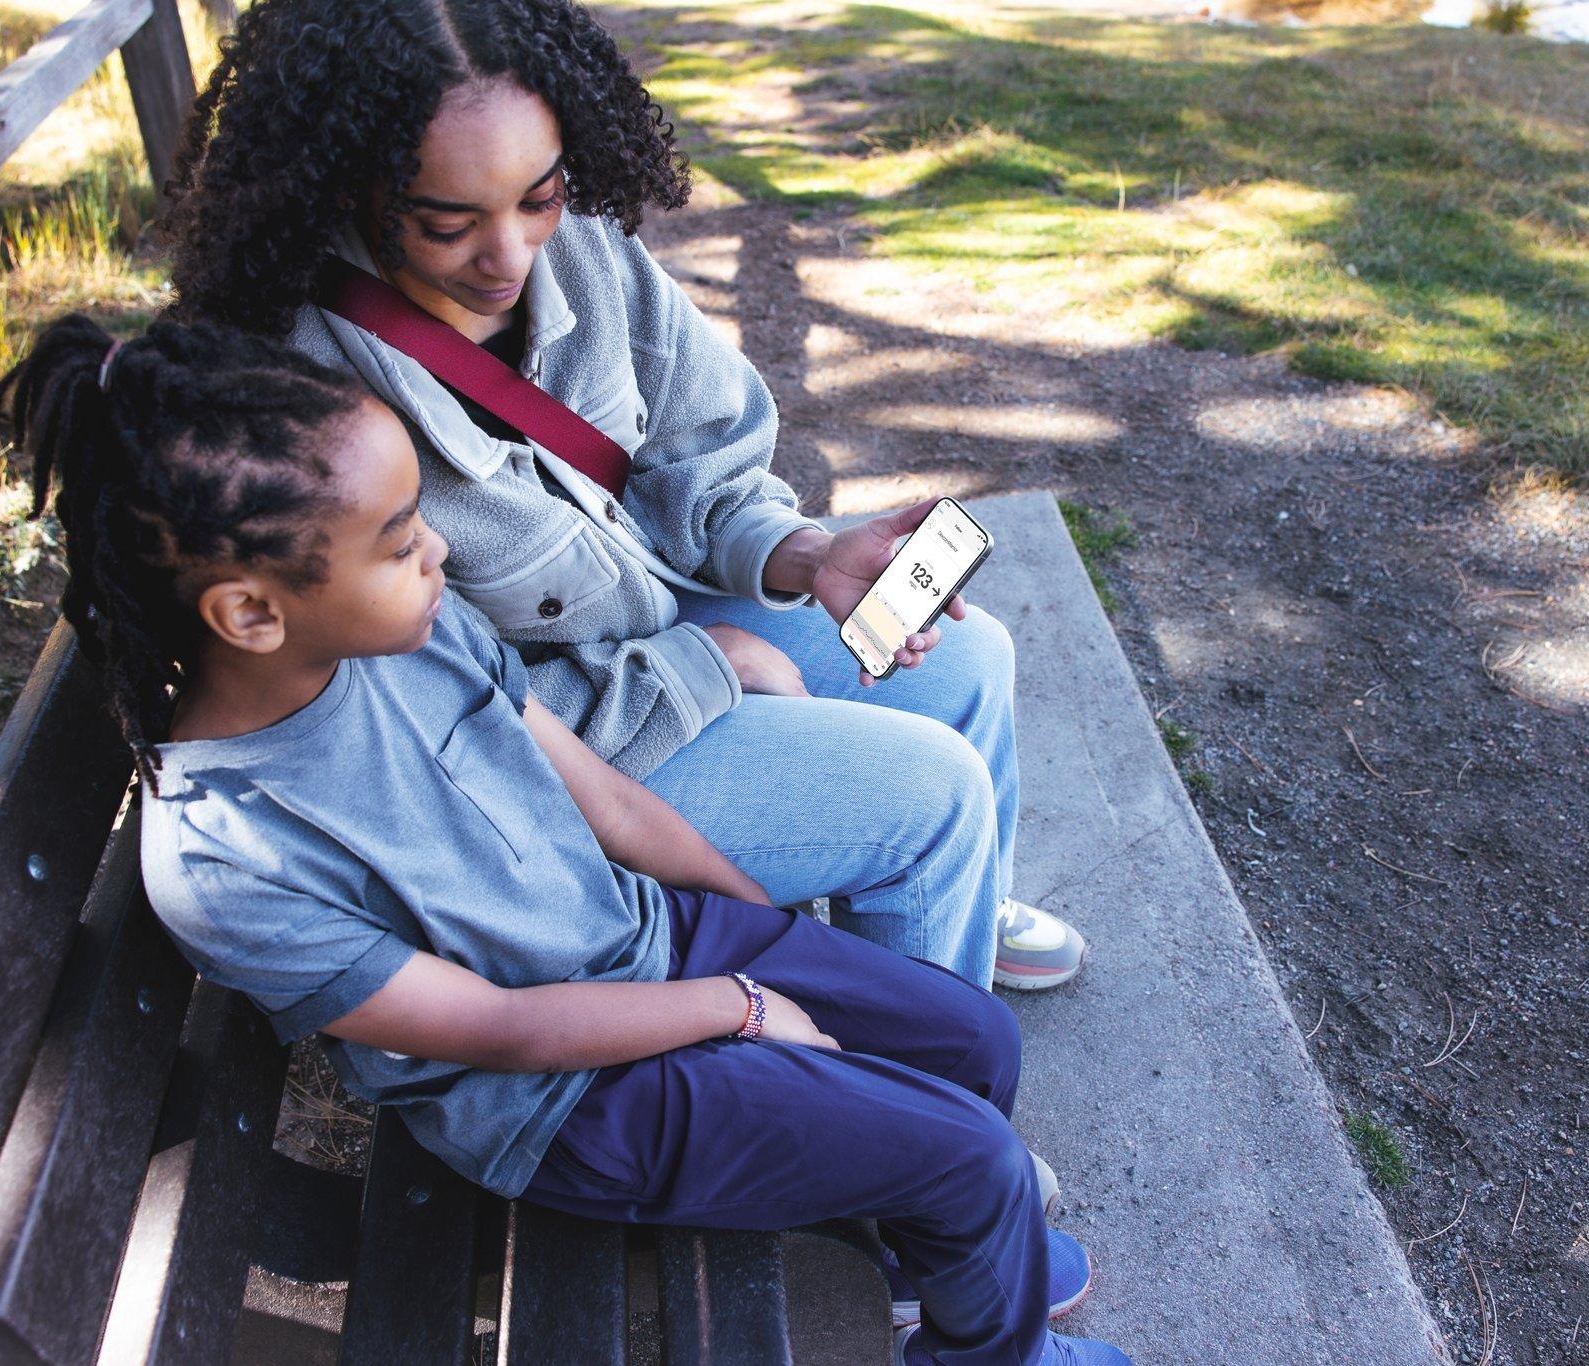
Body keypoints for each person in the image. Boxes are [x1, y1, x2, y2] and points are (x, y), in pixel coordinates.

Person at [0, 314, 1129, 1365]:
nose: (437, 550)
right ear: (249, 612)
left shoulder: (417, 637)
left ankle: (907, 1249)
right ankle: (988, 1349)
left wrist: (769, 936)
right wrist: (739, 1006)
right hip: (573, 1103)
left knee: (974, 1041)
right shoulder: (228, 858)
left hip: (650, 941)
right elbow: (501, 1026)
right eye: (396, 540)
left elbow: (621, 812)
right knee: (969, 1159)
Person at [159, 0, 1086, 993]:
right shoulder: (302, 410)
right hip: (551, 767)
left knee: (970, 657)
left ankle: (944, 908)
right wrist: (700, 664)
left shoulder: (588, 254)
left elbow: (702, 454)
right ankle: (924, 1099)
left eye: (539, 195)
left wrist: (807, 556)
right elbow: (430, 715)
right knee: (930, 796)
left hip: (651, 635)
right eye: (445, 222)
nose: (510, 256)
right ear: (346, 182)